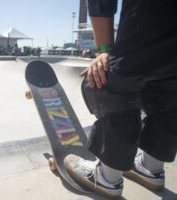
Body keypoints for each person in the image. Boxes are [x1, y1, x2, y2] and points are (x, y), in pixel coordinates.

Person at [64, 0, 177, 199]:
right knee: (169, 88)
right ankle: (151, 169)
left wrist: (104, 50)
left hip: (148, 13)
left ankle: (107, 178)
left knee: (109, 80)